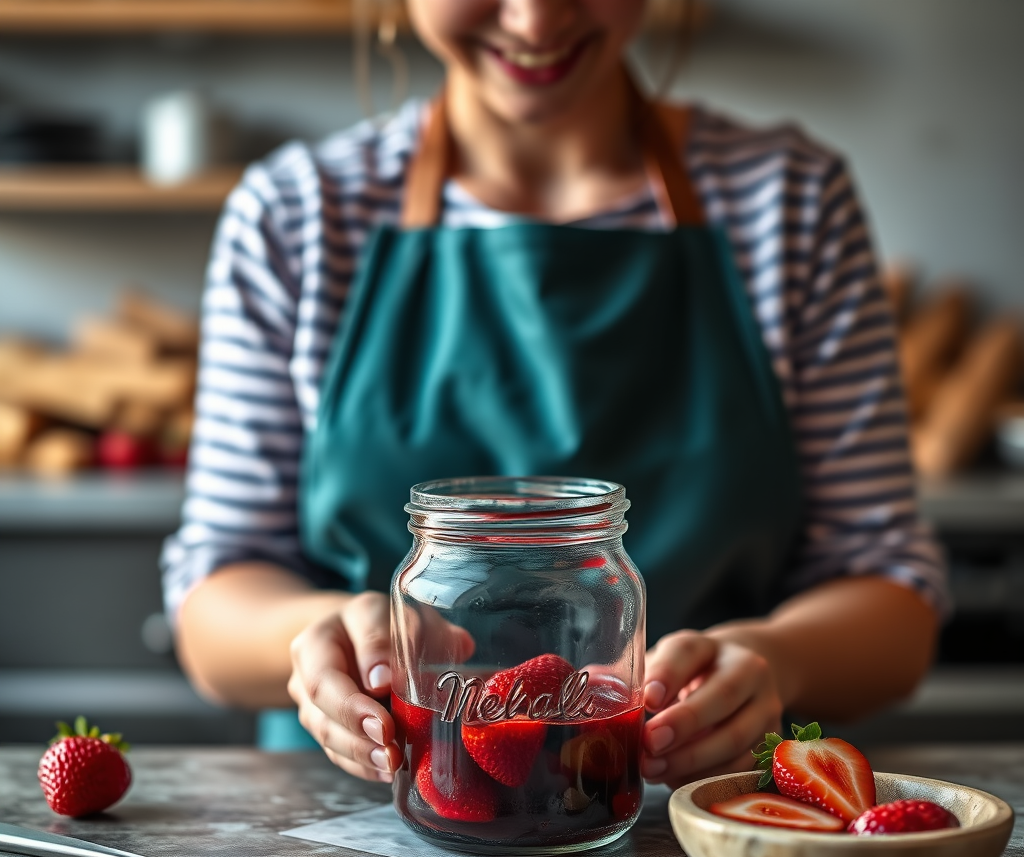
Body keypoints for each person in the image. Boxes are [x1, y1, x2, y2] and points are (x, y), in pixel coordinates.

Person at [162, 0, 945, 789]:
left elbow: (889, 600)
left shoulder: (790, 201)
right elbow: (216, 606)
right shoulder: (297, 214)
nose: (535, 22)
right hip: (356, 810)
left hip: (711, 812)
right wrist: (321, 635)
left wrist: (780, 658)